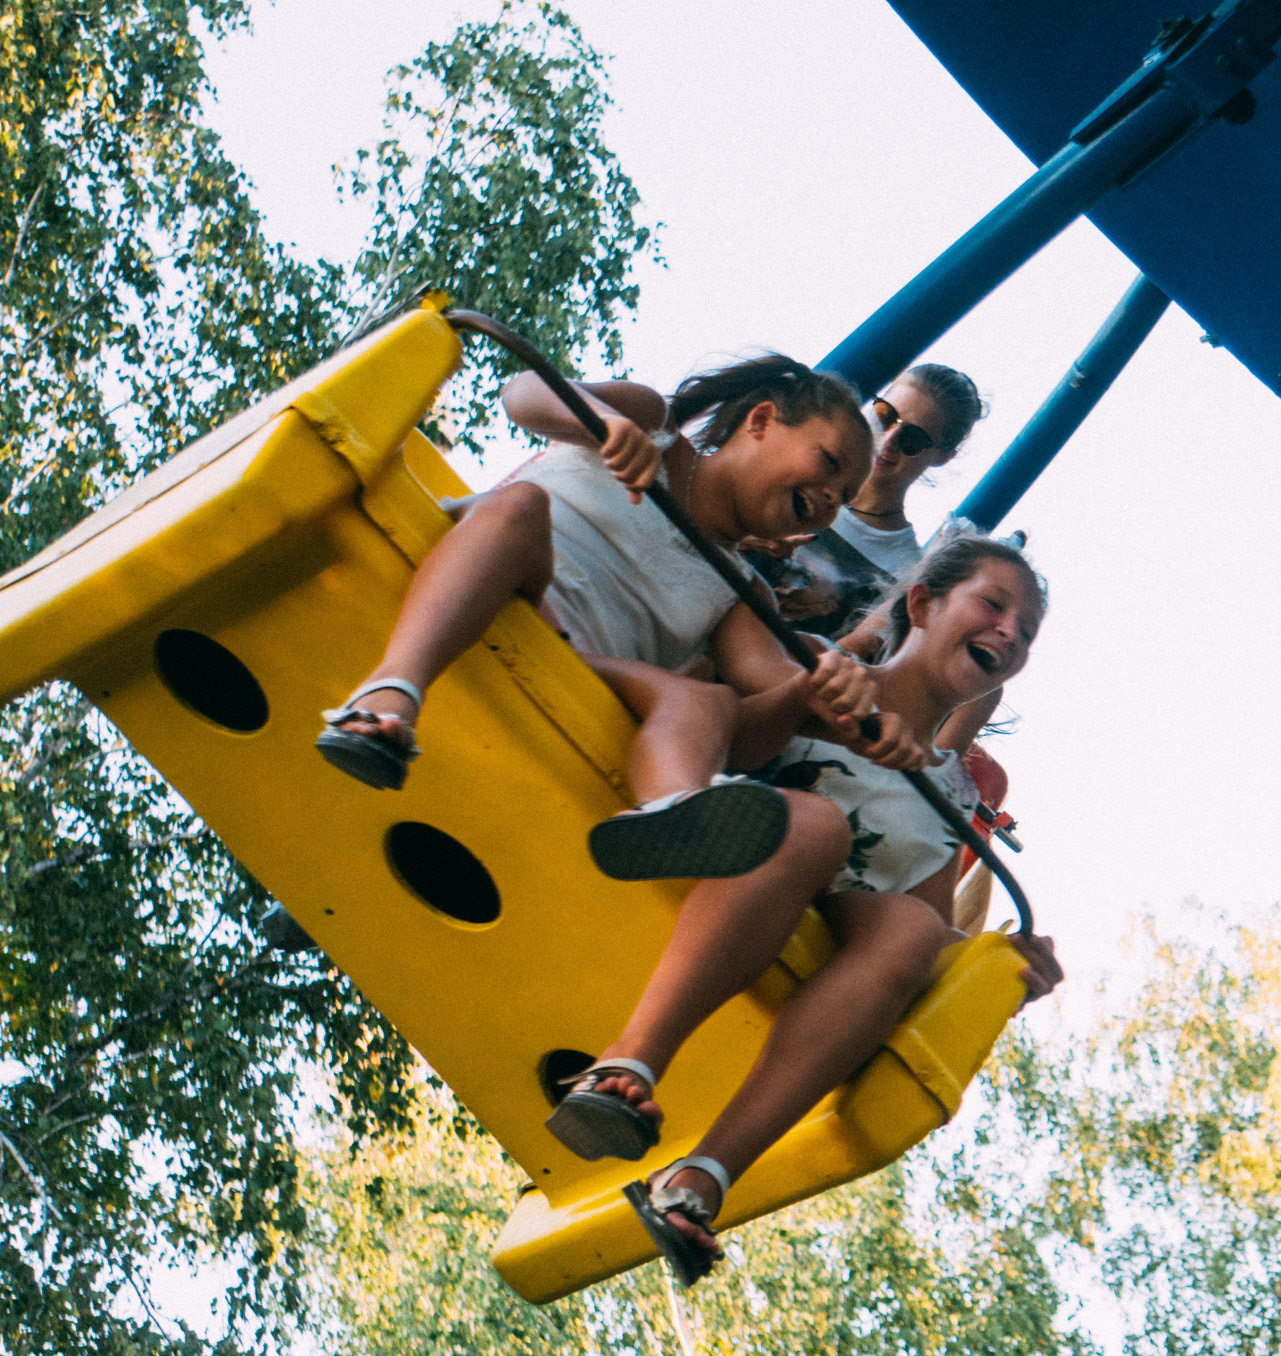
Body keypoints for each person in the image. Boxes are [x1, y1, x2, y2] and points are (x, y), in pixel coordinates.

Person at [543, 537, 1062, 1285]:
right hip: (730, 866)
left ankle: (703, 1175)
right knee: (816, 828)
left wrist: (1004, 971)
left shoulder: (951, 795)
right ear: (922, 604)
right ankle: (630, 1061)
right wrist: (807, 696)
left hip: (821, 928)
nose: (1011, 631)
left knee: (916, 929)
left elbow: (922, 926)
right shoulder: (823, 665)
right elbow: (734, 723)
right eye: (993, 604)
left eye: (1027, 629)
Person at [314, 354, 879, 882]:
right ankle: (389, 695)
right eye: (829, 462)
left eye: (844, 495)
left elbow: (772, 684)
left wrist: (838, 690)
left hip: (575, 666)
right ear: (760, 421)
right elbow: (523, 391)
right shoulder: (651, 431)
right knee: (520, 507)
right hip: (499, 573)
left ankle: (673, 812)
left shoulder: (742, 590)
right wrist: (603, 422)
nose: (830, 496)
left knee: (708, 700)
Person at [768, 363, 988, 636]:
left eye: (913, 439)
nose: (889, 439)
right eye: (886, 415)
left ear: (943, 457)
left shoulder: (907, 571)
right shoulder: (795, 475)